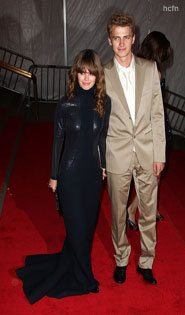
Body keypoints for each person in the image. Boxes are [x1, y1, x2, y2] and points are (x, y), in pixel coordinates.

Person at [16, 49, 111, 304]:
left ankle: (71, 264)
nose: (86, 77)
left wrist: (103, 166)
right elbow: (57, 140)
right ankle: (84, 278)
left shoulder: (105, 102)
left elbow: (102, 137)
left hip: (92, 175)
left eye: (91, 72)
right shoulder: (65, 103)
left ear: (97, 75)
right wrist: (54, 176)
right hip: (69, 175)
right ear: (76, 74)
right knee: (76, 226)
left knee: (85, 229)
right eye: (82, 72)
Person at [104, 13, 166, 285]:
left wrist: (160, 155)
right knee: (118, 214)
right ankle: (121, 259)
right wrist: (99, 159)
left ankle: (146, 261)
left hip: (147, 152)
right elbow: (98, 120)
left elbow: (157, 115)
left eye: (125, 37)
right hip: (116, 154)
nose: (121, 43)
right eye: (116, 38)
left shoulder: (149, 69)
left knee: (148, 211)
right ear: (110, 40)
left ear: (133, 38)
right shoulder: (102, 75)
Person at [127, 31, 172, 230]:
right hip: (154, 129)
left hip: (143, 127)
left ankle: (151, 209)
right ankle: (132, 209)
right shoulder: (154, 72)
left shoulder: (134, 65)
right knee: (152, 174)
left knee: (154, 174)